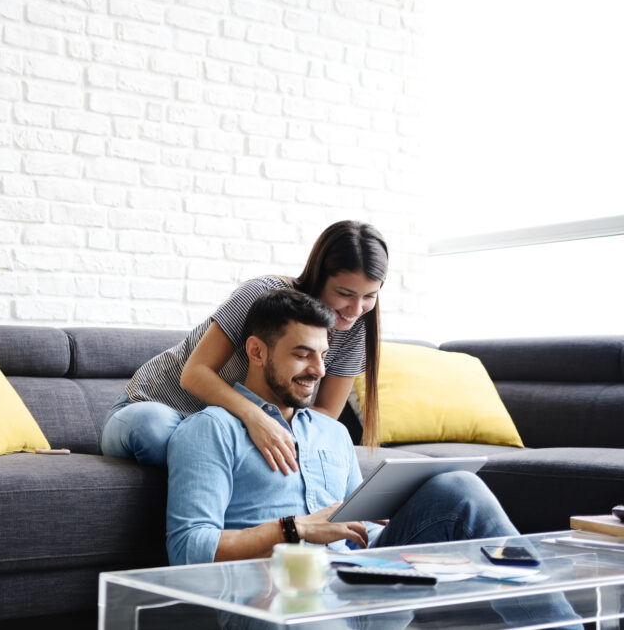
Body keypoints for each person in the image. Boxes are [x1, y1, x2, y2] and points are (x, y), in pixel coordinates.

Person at [165, 289, 581, 629]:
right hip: (281, 599)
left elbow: (356, 529)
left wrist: (397, 521)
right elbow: (187, 549)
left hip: (366, 585)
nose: (318, 370)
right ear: (256, 351)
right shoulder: (211, 429)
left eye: (324, 355)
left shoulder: (331, 432)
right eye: (302, 354)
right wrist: (294, 529)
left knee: (460, 487)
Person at [101, 220, 387, 471]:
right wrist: (257, 420)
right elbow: (194, 374)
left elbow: (325, 415)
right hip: (157, 408)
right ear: (319, 276)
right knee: (157, 432)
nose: (356, 308)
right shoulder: (262, 294)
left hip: (225, 431)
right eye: (345, 294)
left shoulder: (355, 331)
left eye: (369, 296)